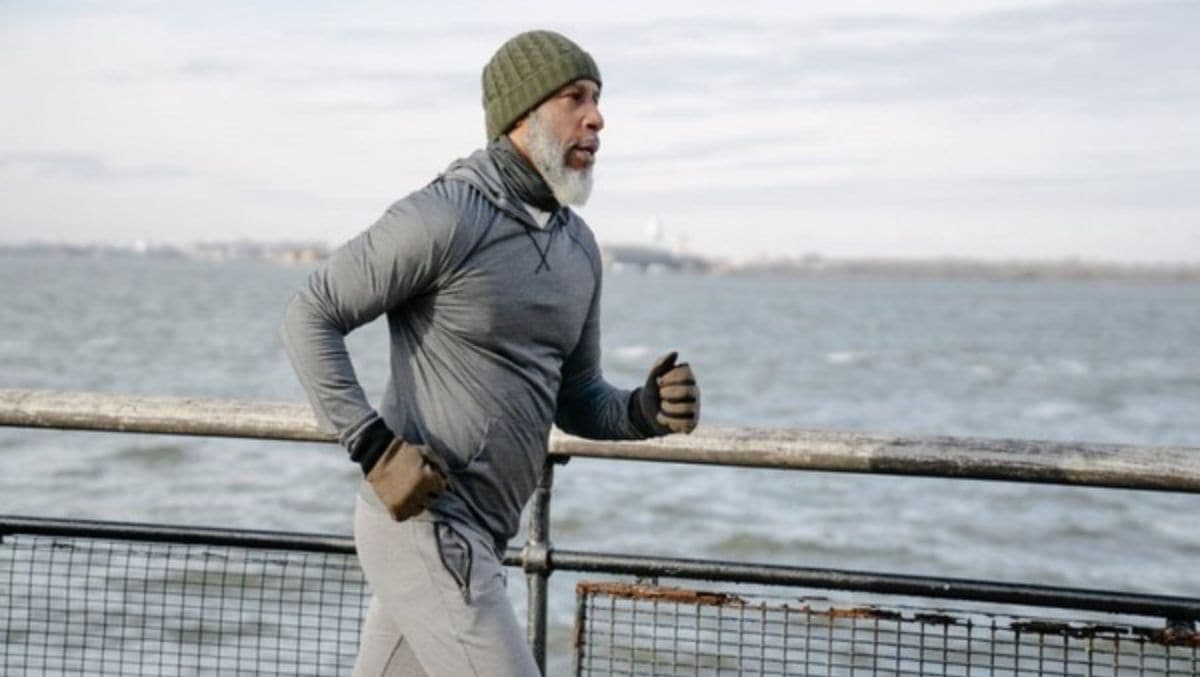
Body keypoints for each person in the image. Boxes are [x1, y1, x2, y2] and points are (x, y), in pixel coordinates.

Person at [281, 29, 700, 677]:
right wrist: (373, 447)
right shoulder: (446, 216)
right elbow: (310, 315)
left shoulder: (578, 248)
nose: (597, 118)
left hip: (484, 536)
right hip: (426, 527)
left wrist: (644, 410)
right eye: (574, 98)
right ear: (520, 115)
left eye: (597, 98)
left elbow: (575, 396)